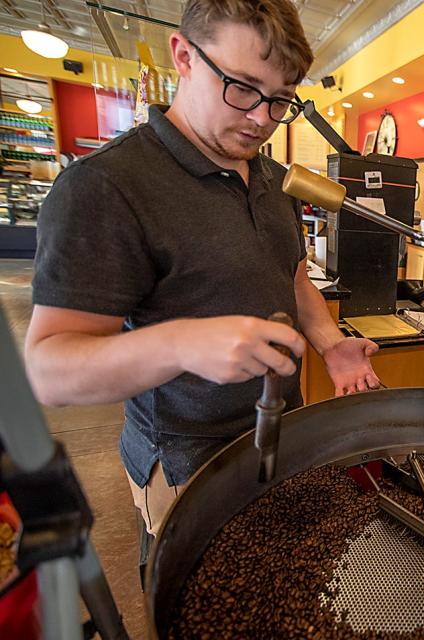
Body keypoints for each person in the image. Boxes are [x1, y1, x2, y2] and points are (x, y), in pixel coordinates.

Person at [23, 0, 380, 538]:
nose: (261, 118)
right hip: (188, 466)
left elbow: (292, 277)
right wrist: (183, 345)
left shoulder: (273, 177)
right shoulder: (105, 188)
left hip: (283, 436)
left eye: (280, 101)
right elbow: (49, 371)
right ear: (184, 56)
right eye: (241, 87)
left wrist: (331, 344)